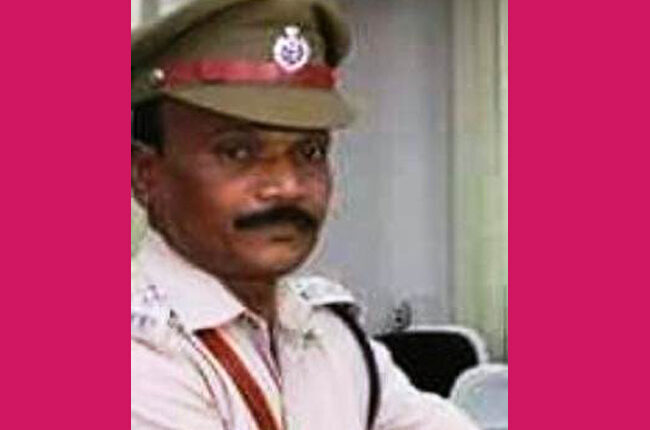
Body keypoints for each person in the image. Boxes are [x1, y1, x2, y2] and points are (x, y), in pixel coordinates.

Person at [131, 0, 479, 429]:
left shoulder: (326, 332)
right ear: (144, 174)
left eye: (309, 152)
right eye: (238, 152)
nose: (288, 186)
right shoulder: (139, 352)